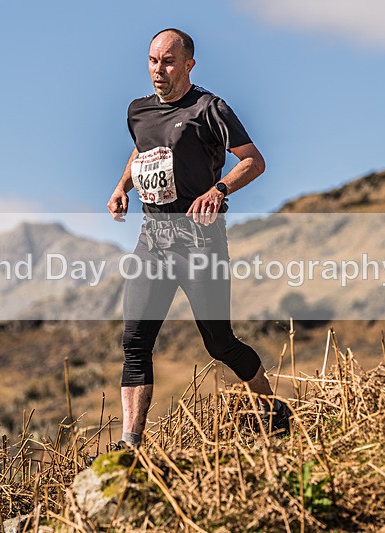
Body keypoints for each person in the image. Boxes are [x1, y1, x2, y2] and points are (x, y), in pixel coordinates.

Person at [106, 28, 290, 449]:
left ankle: (270, 406)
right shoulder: (138, 111)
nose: (159, 70)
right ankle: (131, 444)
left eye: (168, 62)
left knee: (219, 342)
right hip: (153, 240)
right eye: (153, 61)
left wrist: (218, 190)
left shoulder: (210, 108)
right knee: (134, 341)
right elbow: (141, 151)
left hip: (200, 243)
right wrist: (121, 188)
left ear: (188, 64)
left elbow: (253, 161)